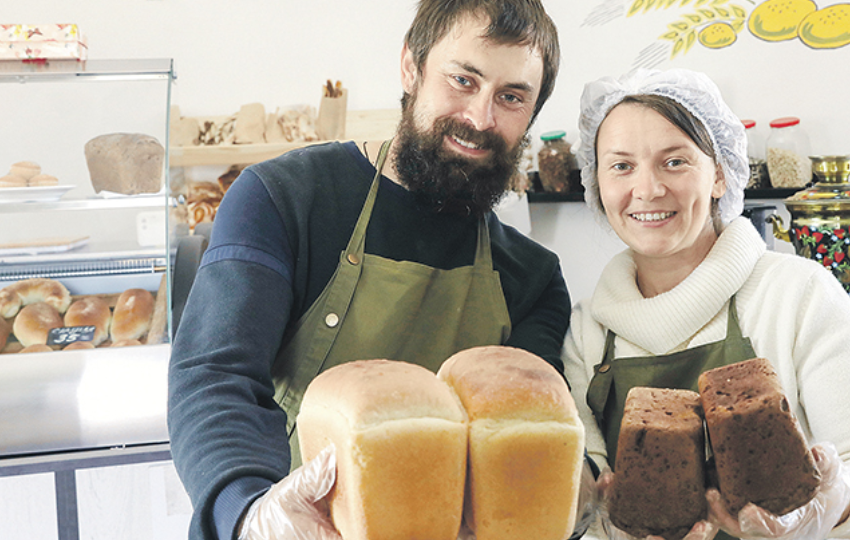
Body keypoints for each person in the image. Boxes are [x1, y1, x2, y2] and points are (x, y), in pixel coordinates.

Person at [167, 2, 572, 539]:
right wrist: (249, 513)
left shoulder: (533, 277)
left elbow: (534, 444)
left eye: (511, 97)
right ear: (411, 66)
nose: (480, 118)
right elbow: (217, 376)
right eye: (462, 79)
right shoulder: (282, 200)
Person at [561, 68, 850, 540]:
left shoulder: (798, 294)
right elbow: (590, 502)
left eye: (675, 162)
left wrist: (837, 500)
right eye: (621, 166)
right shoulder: (587, 331)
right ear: (597, 184)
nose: (646, 190)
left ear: (720, 175)